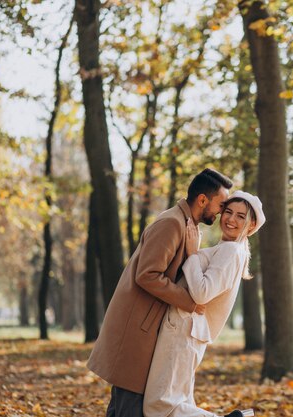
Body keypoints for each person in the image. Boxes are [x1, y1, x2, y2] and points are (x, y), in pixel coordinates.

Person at [87, 168, 233, 417]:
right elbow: (147, 275)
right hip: (137, 328)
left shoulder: (186, 226)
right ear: (202, 200)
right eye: (221, 205)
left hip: (149, 327)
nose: (222, 213)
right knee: (129, 407)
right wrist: (189, 302)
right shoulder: (172, 223)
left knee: (125, 408)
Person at [143, 190, 265, 417]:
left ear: (251, 225)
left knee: (159, 405)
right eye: (228, 212)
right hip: (188, 331)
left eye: (241, 216)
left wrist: (192, 255)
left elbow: (202, 293)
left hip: (183, 329)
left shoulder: (231, 251)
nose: (231, 219)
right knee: (178, 400)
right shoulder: (230, 250)